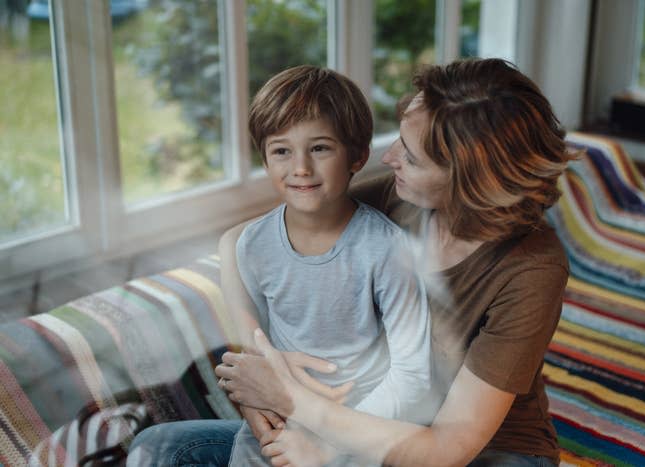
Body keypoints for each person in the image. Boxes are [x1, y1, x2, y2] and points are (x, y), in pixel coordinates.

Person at [215, 57, 575, 467]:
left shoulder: (532, 268)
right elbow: (236, 242)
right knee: (164, 447)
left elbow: (446, 448)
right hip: (361, 422)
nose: (388, 159)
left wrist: (296, 409)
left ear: (470, 182)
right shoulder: (400, 197)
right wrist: (261, 357)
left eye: (412, 157)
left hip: (486, 451)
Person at [128, 65, 432, 467]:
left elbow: (412, 380)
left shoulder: (387, 250)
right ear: (266, 159)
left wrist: (336, 442)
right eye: (282, 151)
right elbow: (258, 352)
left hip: (360, 429)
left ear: (357, 155)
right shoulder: (252, 246)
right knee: (156, 450)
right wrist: (263, 415)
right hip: (278, 423)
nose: (301, 167)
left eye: (320, 148)